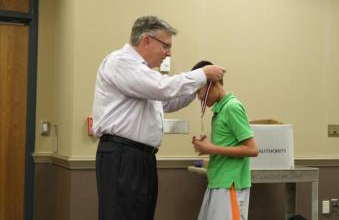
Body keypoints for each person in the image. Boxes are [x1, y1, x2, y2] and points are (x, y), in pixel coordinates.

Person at [92, 16, 225, 220]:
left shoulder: (143, 75)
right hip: (123, 156)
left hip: (140, 158)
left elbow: (166, 102)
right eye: (166, 46)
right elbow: (163, 87)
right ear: (146, 40)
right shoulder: (121, 62)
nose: (169, 53)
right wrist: (201, 74)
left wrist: (196, 88)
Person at [191, 61, 258, 220]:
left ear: (211, 84)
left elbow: (252, 149)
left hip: (230, 185)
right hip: (218, 182)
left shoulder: (232, 107)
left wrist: (211, 149)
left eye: (199, 91)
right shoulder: (221, 110)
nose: (199, 97)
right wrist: (206, 146)